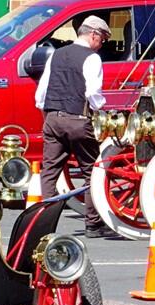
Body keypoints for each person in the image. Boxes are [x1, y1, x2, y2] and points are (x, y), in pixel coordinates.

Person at [35, 14, 113, 238]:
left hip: (52, 118)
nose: (102, 45)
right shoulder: (92, 58)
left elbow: (41, 93)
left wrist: (49, 115)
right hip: (78, 119)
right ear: (93, 34)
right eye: (103, 39)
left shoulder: (56, 55)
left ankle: (43, 224)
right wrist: (101, 110)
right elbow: (93, 94)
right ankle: (93, 224)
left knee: (49, 172)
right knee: (92, 171)